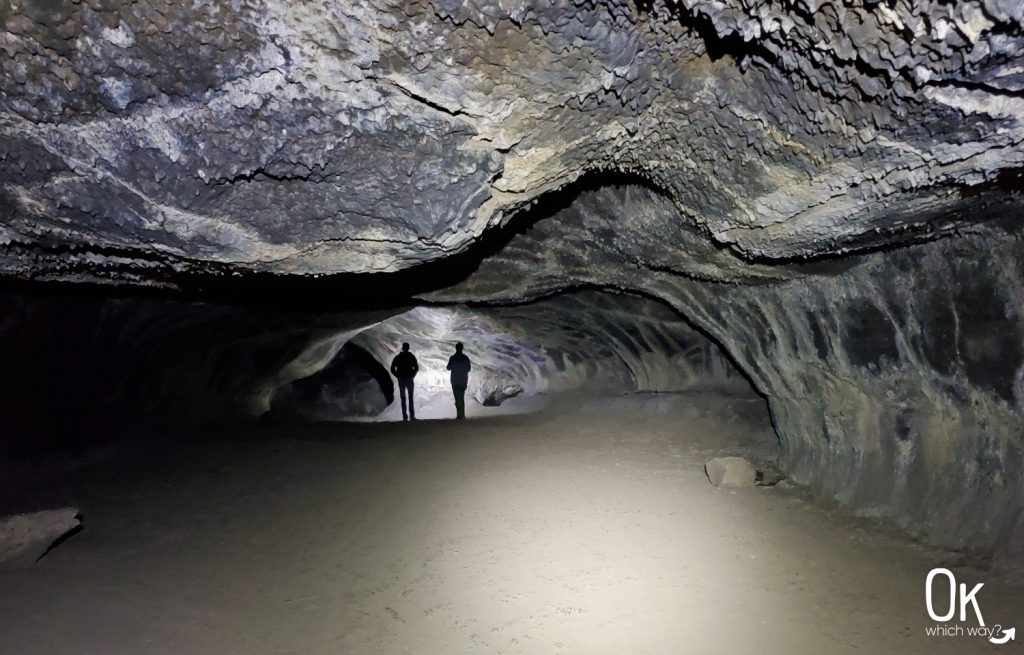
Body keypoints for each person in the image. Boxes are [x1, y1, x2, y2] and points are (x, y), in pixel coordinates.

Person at [390, 342, 419, 421]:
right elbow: (416, 368)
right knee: (410, 398)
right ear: (408, 348)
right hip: (409, 379)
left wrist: (398, 376)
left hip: (401, 379)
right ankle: (412, 416)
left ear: (402, 348)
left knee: (403, 398)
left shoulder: (398, 357)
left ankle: (404, 417)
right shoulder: (411, 357)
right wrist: (412, 376)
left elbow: (392, 369)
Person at [446, 342, 471, 420]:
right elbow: (468, 369)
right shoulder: (465, 358)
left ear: (456, 348)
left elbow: (448, 368)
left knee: (457, 398)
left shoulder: (452, 358)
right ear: (462, 348)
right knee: (461, 397)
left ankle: (458, 415)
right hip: (463, 379)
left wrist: (455, 367)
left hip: (455, 380)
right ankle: (462, 415)